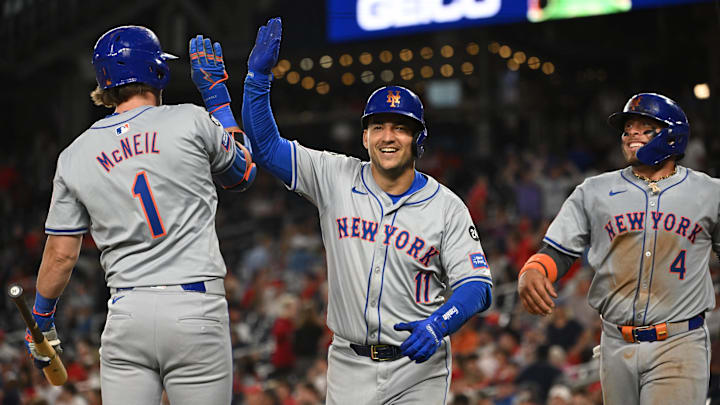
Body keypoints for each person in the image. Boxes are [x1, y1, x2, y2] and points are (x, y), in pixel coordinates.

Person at [193, 17, 492, 404]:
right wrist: (257, 81)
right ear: (365, 136)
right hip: (349, 364)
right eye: (379, 126)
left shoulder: (447, 207)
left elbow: (478, 286)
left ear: (419, 140)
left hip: (419, 370)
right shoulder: (334, 174)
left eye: (401, 128)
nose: (389, 136)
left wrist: (439, 324)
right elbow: (265, 148)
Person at [23, 25, 256, 405]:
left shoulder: (74, 155)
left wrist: (41, 322)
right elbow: (243, 173)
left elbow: (61, 255)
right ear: (157, 71)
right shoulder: (191, 120)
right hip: (194, 308)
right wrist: (217, 101)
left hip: (126, 313)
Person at [517, 92, 717, 404]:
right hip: (615, 343)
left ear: (674, 136)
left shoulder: (710, 192)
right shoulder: (594, 190)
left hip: (679, 342)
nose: (632, 134)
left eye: (645, 127)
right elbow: (559, 249)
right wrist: (535, 269)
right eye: (628, 129)